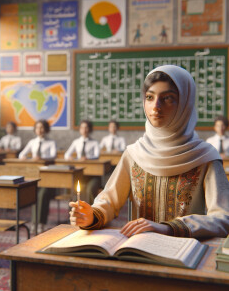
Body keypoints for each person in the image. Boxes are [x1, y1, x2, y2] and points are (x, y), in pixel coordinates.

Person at [69, 65, 229, 239]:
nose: (156, 106)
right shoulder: (134, 153)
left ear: (185, 103)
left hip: (186, 253)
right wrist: (91, 214)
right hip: (137, 251)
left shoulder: (205, 157)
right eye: (150, 97)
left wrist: (168, 228)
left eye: (167, 98)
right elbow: (109, 200)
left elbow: (222, 218)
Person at [19, 119, 57, 234]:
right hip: (35, 176)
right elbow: (21, 155)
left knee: (43, 194)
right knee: (34, 194)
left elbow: (53, 155)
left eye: (42, 127)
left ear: (46, 129)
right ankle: (34, 223)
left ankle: (41, 223)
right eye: (37, 128)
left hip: (47, 177)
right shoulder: (32, 142)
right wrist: (27, 158)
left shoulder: (51, 142)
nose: (39, 130)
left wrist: (43, 158)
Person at [64, 120, 101, 203]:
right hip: (79, 173)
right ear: (80, 129)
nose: (84, 130)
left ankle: (92, 212)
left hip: (92, 174)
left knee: (90, 189)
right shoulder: (76, 142)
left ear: (90, 129)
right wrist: (71, 158)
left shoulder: (94, 142)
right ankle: (75, 211)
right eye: (82, 128)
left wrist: (88, 158)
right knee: (74, 190)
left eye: (86, 127)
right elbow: (66, 155)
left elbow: (96, 156)